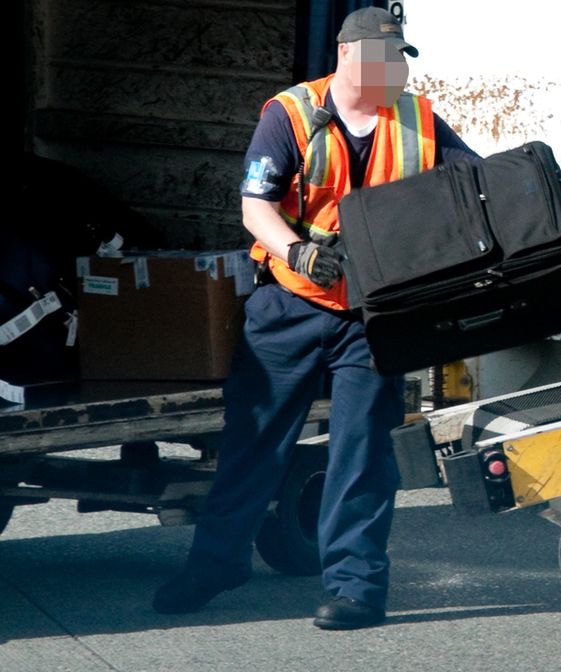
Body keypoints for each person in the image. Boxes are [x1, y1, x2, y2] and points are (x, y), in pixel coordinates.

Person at [152, 6, 479, 630]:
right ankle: (216, 564)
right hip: (290, 304)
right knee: (251, 449)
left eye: (400, 60)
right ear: (348, 55)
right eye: (383, 58)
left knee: (360, 454)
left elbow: (478, 184)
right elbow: (256, 207)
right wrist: (299, 251)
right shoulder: (290, 114)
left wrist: (547, 184)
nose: (394, 72)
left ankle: (356, 589)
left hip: (371, 316)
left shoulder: (419, 119)